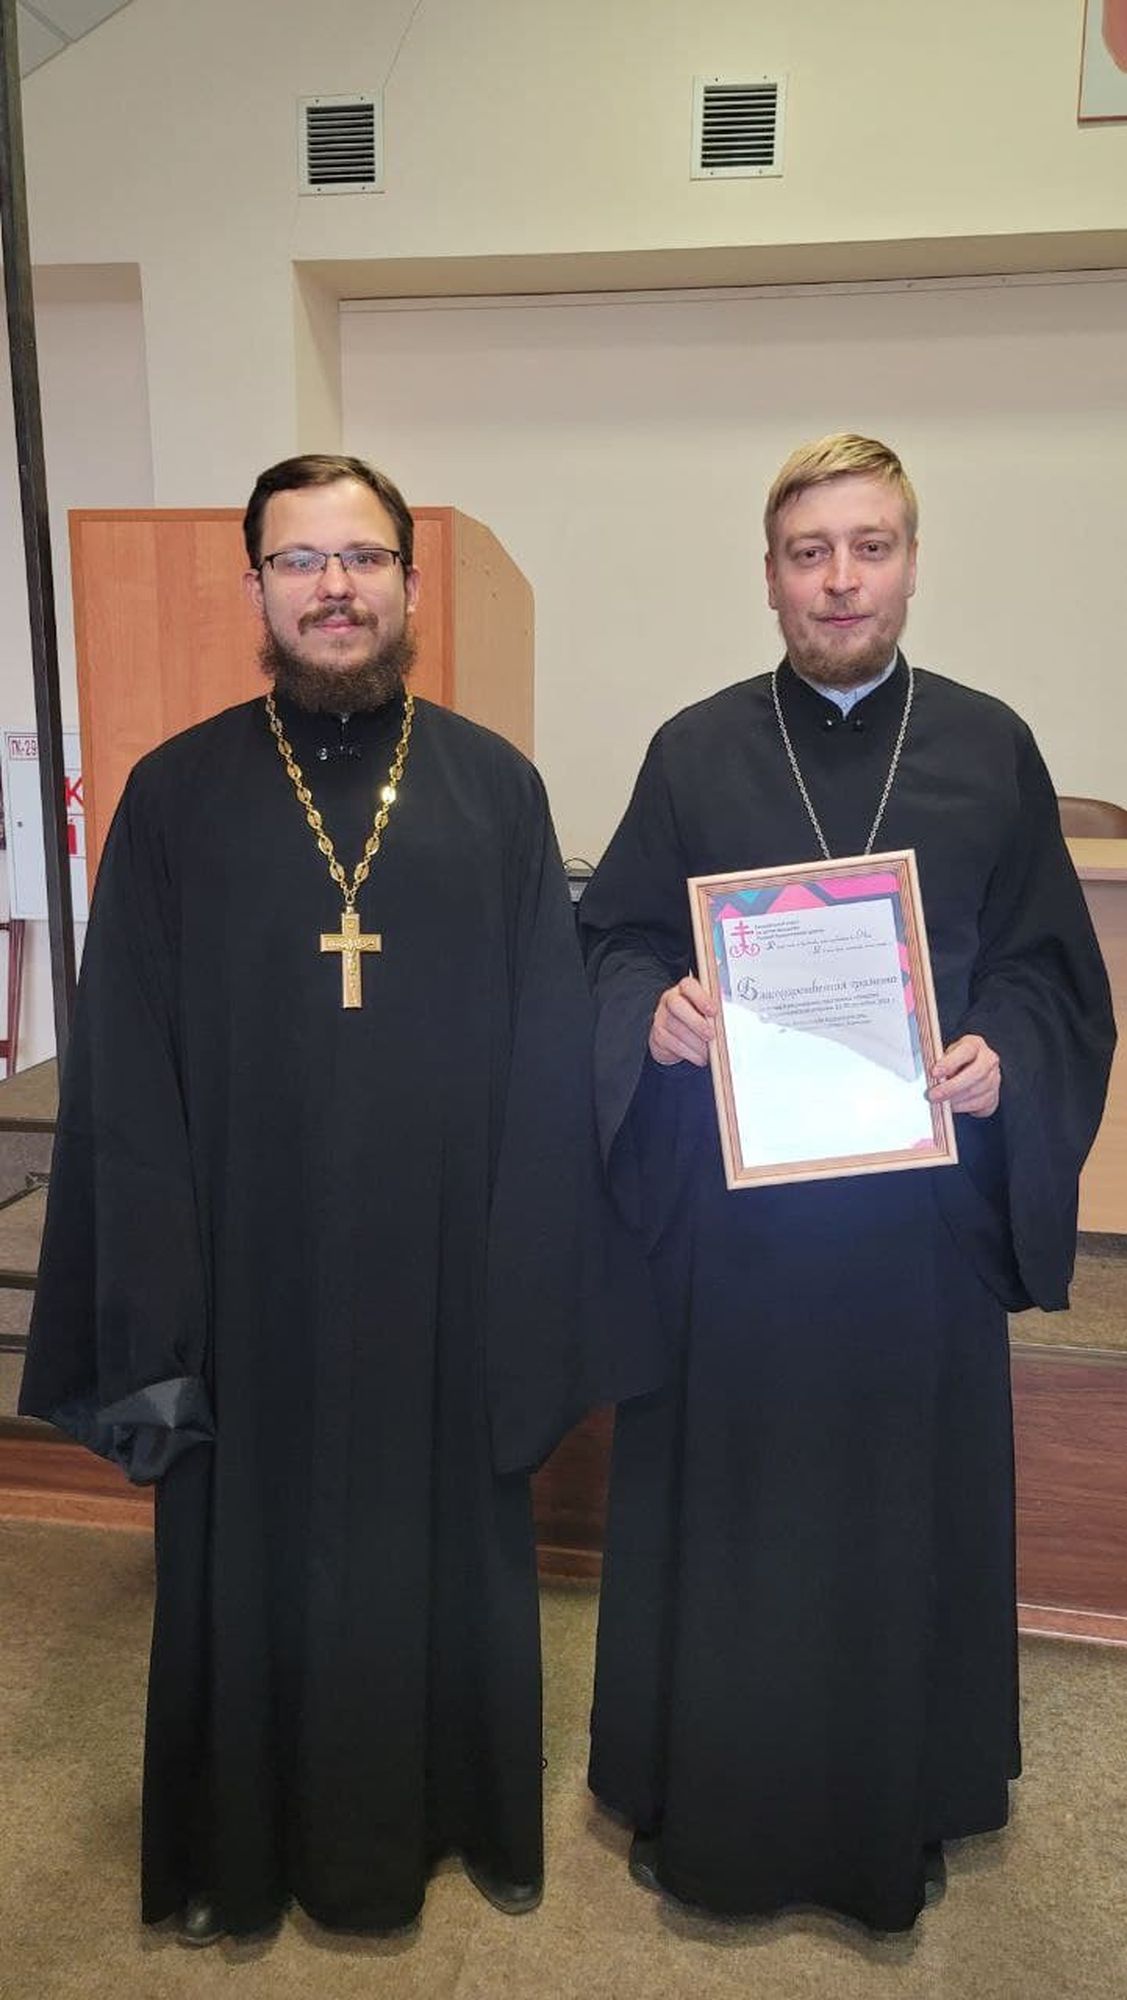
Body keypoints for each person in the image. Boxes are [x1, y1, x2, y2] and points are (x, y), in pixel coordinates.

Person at [20, 454, 653, 1944]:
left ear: (409, 584)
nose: (334, 588)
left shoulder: (495, 790)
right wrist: (158, 1307)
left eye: (362, 558)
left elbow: (548, 1056)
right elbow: (128, 1074)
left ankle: (453, 1817)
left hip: (442, 1276)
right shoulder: (175, 798)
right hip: (247, 1277)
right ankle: (238, 1849)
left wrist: (525, 1283)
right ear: (256, 589)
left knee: (436, 1552)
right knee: (251, 1560)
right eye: (299, 562)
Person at [578, 433, 1115, 1933]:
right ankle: (712, 1804)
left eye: (869, 547)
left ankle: (896, 1804)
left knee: (892, 1526)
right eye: (809, 552)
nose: (839, 579)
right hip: (735, 1237)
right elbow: (612, 942)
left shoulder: (991, 746)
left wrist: (1006, 1055)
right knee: (734, 1522)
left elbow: (1051, 978)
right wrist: (653, 1016)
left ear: (911, 564)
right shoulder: (694, 750)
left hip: (912, 1237)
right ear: (769, 576)